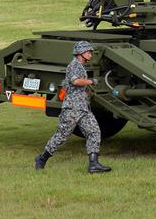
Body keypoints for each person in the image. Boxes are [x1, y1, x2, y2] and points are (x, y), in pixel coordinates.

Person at [35, 41, 112, 173]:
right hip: (72, 108)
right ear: (81, 53)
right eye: (88, 52)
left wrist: (87, 91)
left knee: (94, 131)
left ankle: (93, 164)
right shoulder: (74, 65)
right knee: (62, 136)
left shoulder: (81, 66)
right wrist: (90, 81)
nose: (90, 54)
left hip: (83, 108)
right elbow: (75, 81)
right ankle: (42, 158)